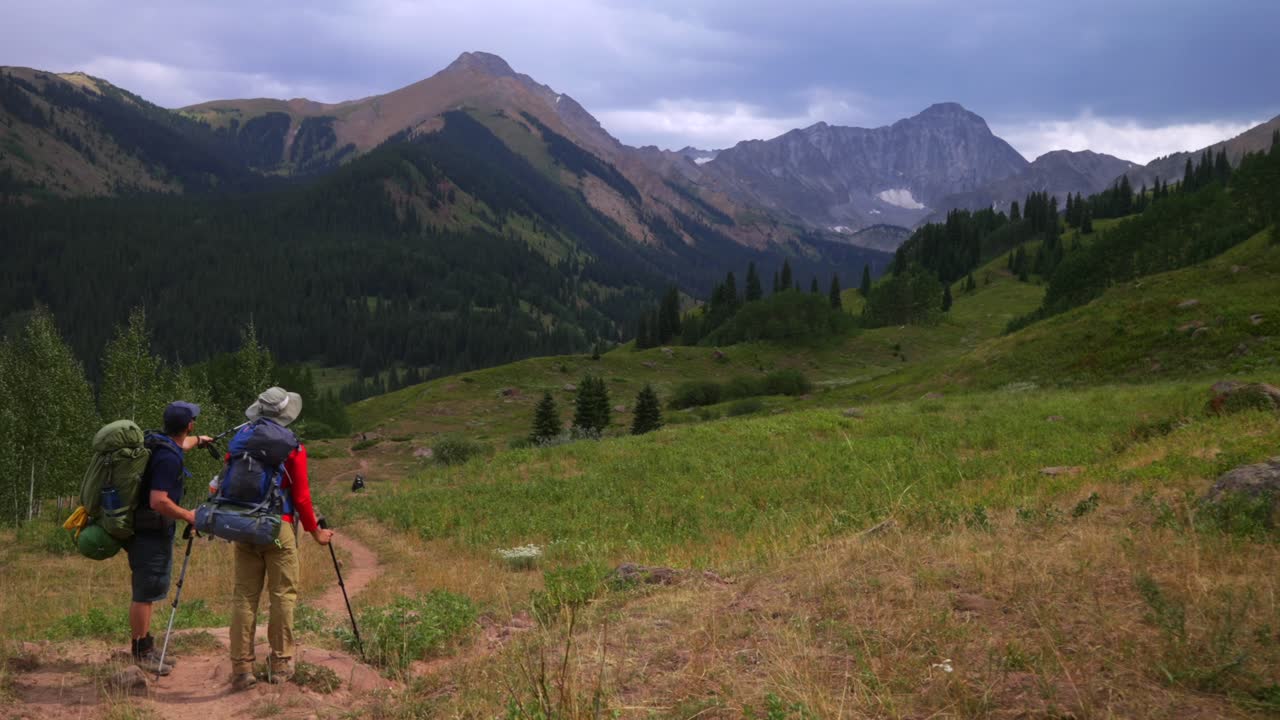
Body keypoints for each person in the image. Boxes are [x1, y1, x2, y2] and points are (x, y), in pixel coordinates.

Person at [229, 387, 333, 691]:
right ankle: (280, 664)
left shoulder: (240, 440)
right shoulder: (292, 447)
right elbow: (301, 497)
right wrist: (316, 532)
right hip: (278, 528)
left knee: (244, 597)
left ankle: (241, 669)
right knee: (282, 595)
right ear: (285, 414)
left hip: (243, 526)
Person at [126, 401, 211, 675]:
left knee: (147, 590)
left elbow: (181, 445)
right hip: (151, 532)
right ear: (188, 425)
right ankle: (141, 652)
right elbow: (158, 501)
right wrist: (189, 516)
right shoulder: (168, 458)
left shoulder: (159, 442)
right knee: (145, 593)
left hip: (146, 530)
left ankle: (146, 646)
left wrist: (199, 441)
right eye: (193, 423)